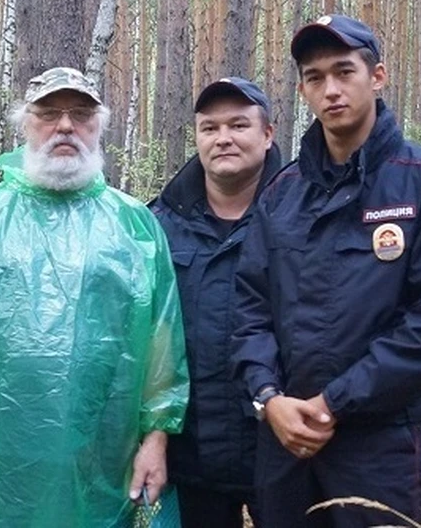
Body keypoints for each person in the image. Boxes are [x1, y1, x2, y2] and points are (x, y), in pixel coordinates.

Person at [0, 66, 189, 528]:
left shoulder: (135, 226)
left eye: (81, 114)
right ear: (24, 124)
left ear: (100, 127)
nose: (66, 126)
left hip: (99, 453)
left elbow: (161, 345)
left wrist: (157, 438)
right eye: (48, 113)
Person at [232, 14, 421, 527]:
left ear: (378, 76)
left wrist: (334, 402)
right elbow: (250, 307)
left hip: (380, 446)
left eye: (345, 72)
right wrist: (268, 398)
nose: (332, 89)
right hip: (284, 444)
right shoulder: (281, 192)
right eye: (316, 77)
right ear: (302, 89)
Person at [148, 77, 280, 528]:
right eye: (210, 128)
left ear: (267, 134)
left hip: (282, 452)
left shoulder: (301, 214)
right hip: (191, 456)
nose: (223, 138)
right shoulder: (157, 225)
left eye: (239, 125)